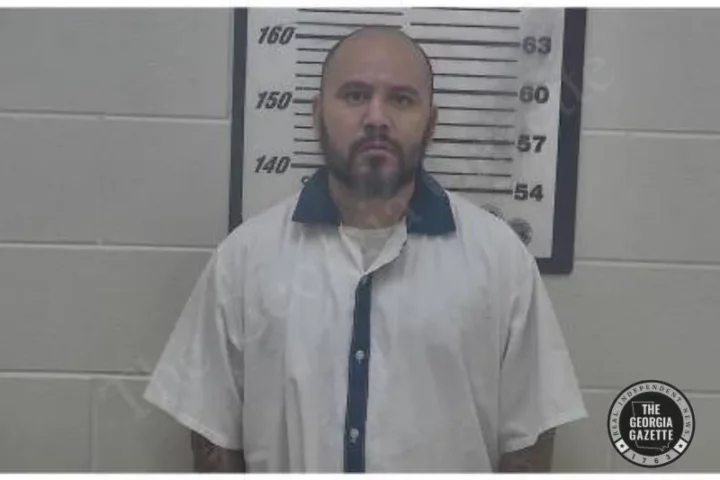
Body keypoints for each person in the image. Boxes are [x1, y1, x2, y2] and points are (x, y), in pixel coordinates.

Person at [143, 26, 586, 473]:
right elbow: (213, 435)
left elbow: (529, 438)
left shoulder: (501, 259)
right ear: (317, 114)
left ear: (431, 123)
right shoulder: (243, 260)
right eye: (355, 96)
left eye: (401, 99)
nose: (377, 117)